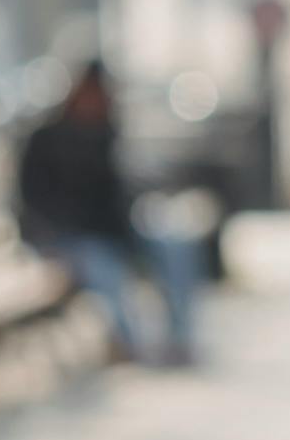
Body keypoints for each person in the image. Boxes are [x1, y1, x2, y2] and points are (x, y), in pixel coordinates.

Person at [12, 51, 203, 364]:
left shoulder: (108, 137)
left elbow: (121, 198)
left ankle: (180, 339)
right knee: (106, 270)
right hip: (66, 239)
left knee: (175, 247)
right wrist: (53, 241)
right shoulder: (46, 139)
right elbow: (32, 201)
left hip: (112, 234)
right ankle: (131, 346)